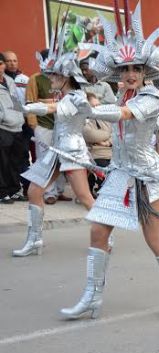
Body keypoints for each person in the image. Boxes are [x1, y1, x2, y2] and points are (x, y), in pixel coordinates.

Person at [60, 1, 159, 322]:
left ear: (145, 71)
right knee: (97, 232)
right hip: (120, 173)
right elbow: (117, 111)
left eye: (136, 69)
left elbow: (123, 115)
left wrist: (89, 110)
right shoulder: (120, 94)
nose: (131, 74)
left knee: (154, 239)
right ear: (119, 73)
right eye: (125, 69)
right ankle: (92, 296)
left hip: (148, 176)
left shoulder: (150, 98)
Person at [12, 36, 96, 257]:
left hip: (72, 150)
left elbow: (53, 108)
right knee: (34, 191)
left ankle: (105, 233)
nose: (49, 79)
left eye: (53, 75)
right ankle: (35, 240)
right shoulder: (64, 94)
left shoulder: (75, 97)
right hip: (57, 149)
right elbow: (52, 103)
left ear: (65, 76)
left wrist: (27, 108)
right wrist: (31, 105)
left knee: (84, 196)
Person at [25, 49, 68, 205]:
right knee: (45, 159)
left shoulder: (63, 78)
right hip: (43, 125)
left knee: (62, 159)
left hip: (62, 126)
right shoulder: (35, 79)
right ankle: (49, 192)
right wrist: (33, 124)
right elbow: (30, 101)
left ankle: (60, 191)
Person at [0, 52, 26, 204]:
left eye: (1, 63)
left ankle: (14, 190)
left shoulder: (9, 80)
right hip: (3, 128)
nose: (1, 66)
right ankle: (2, 192)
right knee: (2, 163)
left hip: (17, 126)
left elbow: (16, 100)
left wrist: (20, 117)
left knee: (16, 161)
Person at [82, 92, 112, 196]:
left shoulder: (105, 118)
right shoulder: (83, 119)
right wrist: (108, 134)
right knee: (104, 167)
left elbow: (116, 134)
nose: (97, 108)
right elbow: (89, 134)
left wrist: (105, 141)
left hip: (111, 153)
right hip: (94, 154)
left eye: (98, 105)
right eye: (94, 106)